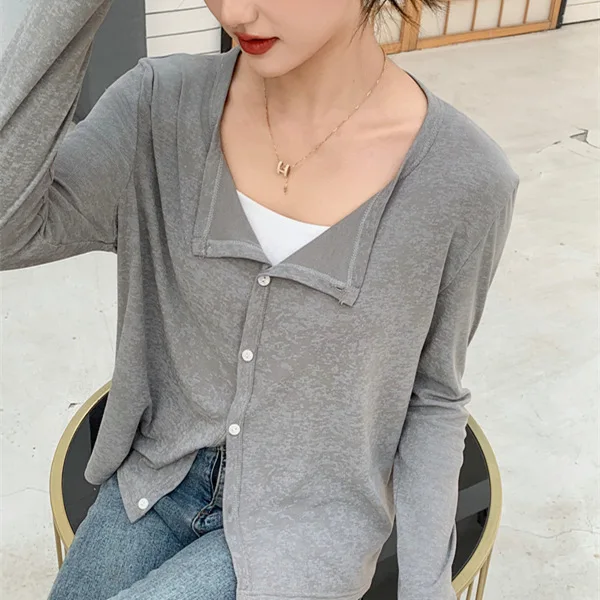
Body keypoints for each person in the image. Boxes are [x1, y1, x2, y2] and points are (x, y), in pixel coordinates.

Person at [0, 0, 520, 599]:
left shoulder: (463, 180)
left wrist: (426, 588)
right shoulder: (158, 108)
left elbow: (433, 395)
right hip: (156, 478)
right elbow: (10, 225)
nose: (235, 12)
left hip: (310, 523)